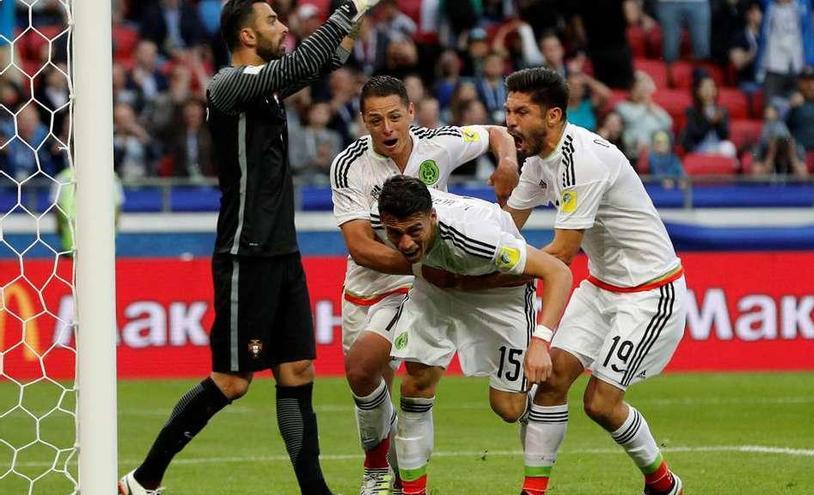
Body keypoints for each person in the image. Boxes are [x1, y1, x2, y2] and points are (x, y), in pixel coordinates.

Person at [117, 0, 379, 493]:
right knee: (233, 381)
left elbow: (326, 61)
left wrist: (356, 18)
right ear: (247, 37)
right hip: (246, 251)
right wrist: (347, 8)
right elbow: (304, 62)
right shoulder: (227, 86)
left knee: (298, 371)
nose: (283, 26)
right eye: (272, 21)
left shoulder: (267, 90)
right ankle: (143, 479)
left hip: (282, 250)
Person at [329, 74, 519, 495]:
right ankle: (395, 473)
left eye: (395, 116)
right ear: (363, 121)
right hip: (367, 285)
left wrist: (507, 163)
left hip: (412, 287)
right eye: (376, 120)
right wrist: (423, 264)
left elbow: (495, 133)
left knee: (367, 366)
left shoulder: (438, 143)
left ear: (411, 113)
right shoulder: (348, 165)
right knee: (365, 380)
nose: (388, 128)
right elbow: (360, 246)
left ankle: (377, 472)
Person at [503, 68, 686, 495]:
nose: (510, 120)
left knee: (601, 403)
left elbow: (563, 253)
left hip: (649, 293)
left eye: (521, 111)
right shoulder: (536, 160)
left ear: (552, 116)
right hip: (602, 288)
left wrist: (495, 267)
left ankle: (664, 484)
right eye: (508, 109)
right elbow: (506, 228)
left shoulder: (581, 160)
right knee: (548, 383)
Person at [375, 176, 573, 495]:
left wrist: (540, 342)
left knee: (508, 408)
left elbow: (558, 272)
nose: (406, 243)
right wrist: (432, 273)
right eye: (395, 233)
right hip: (438, 290)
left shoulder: (479, 239)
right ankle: (411, 491)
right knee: (416, 382)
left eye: (415, 231)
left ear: (433, 218)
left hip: (499, 296)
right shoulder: (384, 215)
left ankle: (538, 402)